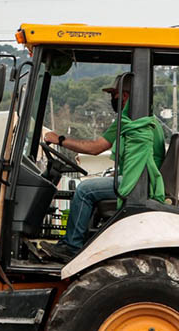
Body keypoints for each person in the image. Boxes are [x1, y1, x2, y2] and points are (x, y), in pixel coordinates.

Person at [40, 73, 165, 262]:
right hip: (143, 180)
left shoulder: (132, 122)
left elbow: (95, 148)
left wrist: (60, 140)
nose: (112, 99)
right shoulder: (148, 121)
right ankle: (83, 243)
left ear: (124, 96)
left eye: (114, 95)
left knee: (84, 190)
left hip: (139, 184)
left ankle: (71, 246)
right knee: (91, 186)